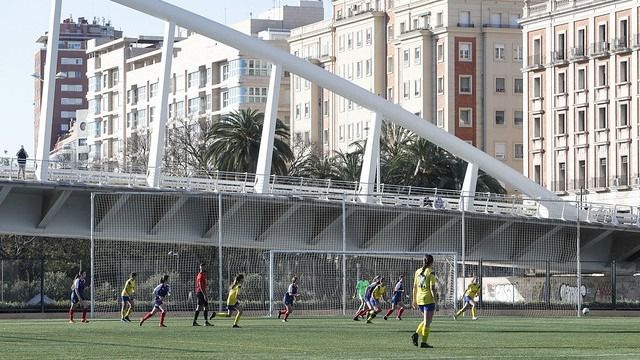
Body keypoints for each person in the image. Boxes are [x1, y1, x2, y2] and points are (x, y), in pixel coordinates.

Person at [411, 255, 439, 349]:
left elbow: (414, 287)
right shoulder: (431, 272)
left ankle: (416, 334)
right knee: (427, 322)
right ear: (432, 262)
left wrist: (414, 300)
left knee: (427, 320)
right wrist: (436, 301)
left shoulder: (418, 271)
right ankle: (423, 342)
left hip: (419, 298)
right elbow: (432, 288)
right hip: (428, 298)